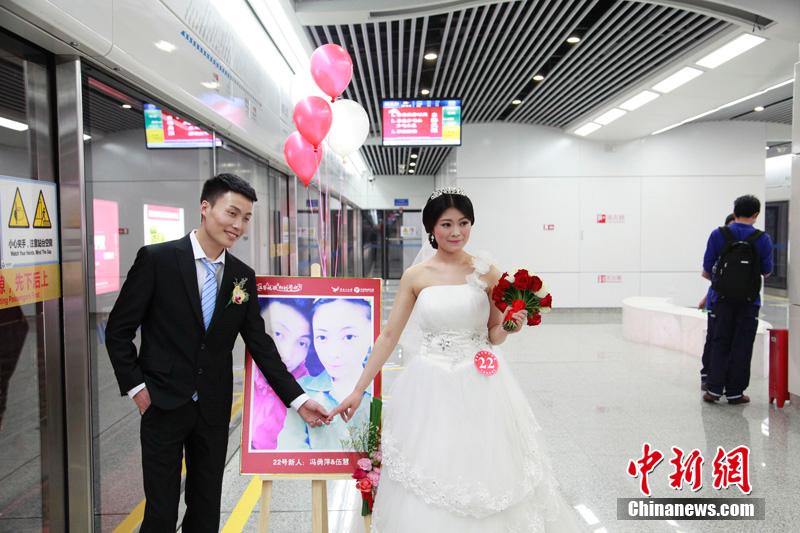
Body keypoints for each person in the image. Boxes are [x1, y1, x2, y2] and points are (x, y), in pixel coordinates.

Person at [330, 188, 583, 531]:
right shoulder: (416, 276)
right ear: (431, 229)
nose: (456, 232)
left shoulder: (486, 272)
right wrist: (359, 389)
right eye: (446, 224)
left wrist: (510, 326)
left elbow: (494, 333)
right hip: (430, 384)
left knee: (486, 462)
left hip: (482, 381)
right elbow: (389, 336)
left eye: (463, 223)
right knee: (432, 463)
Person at [105, 174, 330, 532]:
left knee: (206, 507)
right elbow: (118, 330)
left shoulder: (242, 277)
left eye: (246, 218)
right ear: (205, 208)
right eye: (232, 213)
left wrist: (298, 399)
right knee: (161, 512)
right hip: (162, 402)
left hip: (212, 407)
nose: (238, 225)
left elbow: (260, 345)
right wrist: (137, 387)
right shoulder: (158, 259)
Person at [702, 195, 773, 405]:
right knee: (742, 345)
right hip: (749, 302)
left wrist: (723, 282)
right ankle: (735, 393)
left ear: (734, 212)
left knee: (719, 342)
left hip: (721, 300)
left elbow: (706, 270)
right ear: (756, 214)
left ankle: (713, 390)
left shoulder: (718, 234)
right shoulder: (763, 239)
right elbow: (767, 271)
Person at [302, 297, 373, 449]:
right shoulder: (300, 390)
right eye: (322, 337)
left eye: (348, 337)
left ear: (371, 335)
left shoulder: (383, 390)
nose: (334, 353)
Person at [250, 298, 313, 450]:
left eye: (302, 343)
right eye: (278, 333)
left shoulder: (311, 389)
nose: (287, 354)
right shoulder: (248, 375)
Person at [699, 212, 735, 391]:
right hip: (715, 301)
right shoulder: (720, 240)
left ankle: (720, 377)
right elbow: (708, 274)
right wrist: (706, 299)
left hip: (727, 301)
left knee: (725, 340)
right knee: (713, 338)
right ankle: (707, 375)